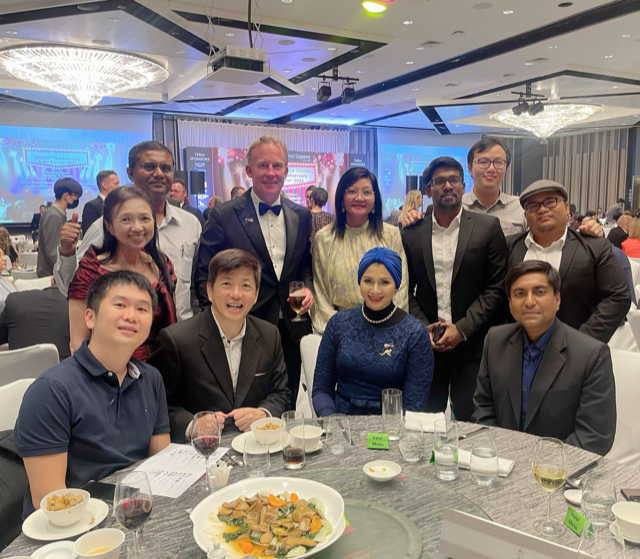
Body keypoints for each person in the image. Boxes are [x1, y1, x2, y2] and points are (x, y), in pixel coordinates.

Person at [14, 271, 171, 516]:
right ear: (90, 317)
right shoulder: (51, 390)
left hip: (136, 508)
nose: (131, 316)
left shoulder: (151, 379)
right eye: (120, 304)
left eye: (142, 309)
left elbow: (162, 464)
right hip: (75, 523)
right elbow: (50, 501)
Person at [193, 136, 313, 406]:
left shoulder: (301, 215)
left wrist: (307, 287)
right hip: (242, 325)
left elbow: (304, 266)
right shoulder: (224, 215)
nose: (270, 172)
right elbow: (204, 275)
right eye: (262, 165)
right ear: (248, 170)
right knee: (243, 403)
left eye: (277, 165)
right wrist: (214, 324)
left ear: (286, 171)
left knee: (286, 401)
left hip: (291, 327)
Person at [471, 260, 616, 456]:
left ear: (557, 300)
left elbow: (594, 437)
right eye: (519, 294)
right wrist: (499, 454)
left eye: (539, 292)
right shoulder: (495, 341)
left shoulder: (591, 355)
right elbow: (483, 409)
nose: (529, 301)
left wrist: (536, 464)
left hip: (559, 473)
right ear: (510, 304)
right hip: (501, 464)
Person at [401, 156, 508, 421]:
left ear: (463, 185)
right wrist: (424, 328)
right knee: (424, 422)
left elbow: (496, 288)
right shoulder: (411, 233)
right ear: (428, 190)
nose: (447, 186)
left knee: (473, 424)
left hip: (473, 345)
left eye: (453, 180)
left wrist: (461, 330)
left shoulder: (487, 227)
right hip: (426, 345)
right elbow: (405, 288)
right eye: (439, 182)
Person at [148, 249, 289, 440]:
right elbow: (156, 404)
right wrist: (193, 424)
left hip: (256, 446)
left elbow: (280, 393)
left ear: (256, 294)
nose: (236, 294)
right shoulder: (177, 340)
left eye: (246, 285)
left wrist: (263, 414)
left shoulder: (269, 335)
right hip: (200, 453)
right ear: (209, 290)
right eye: (227, 284)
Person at [54, 141, 202, 322]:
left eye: (166, 168)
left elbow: (194, 285)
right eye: (149, 167)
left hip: (179, 336)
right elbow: (71, 287)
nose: (158, 174)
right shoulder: (105, 227)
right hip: (124, 338)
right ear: (130, 173)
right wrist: (67, 252)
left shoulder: (190, 224)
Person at [313, 247, 433, 416]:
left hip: (392, 430)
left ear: (396, 286)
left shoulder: (415, 333)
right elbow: (321, 389)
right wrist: (331, 421)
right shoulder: (338, 324)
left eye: (384, 282)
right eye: (368, 281)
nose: (375, 290)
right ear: (359, 281)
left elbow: (414, 404)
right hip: (341, 427)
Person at [508, 180, 630, 343]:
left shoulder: (594, 247)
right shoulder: (508, 247)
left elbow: (618, 296)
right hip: (518, 350)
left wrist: (581, 342)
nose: (542, 209)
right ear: (525, 214)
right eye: (533, 205)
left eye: (550, 201)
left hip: (577, 353)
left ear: (566, 208)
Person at [68, 187, 177, 361]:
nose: (137, 227)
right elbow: (77, 342)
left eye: (145, 218)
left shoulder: (160, 265)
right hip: (106, 373)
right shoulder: (92, 268)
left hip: (159, 371)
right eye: (126, 219)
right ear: (109, 226)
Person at [311, 167, 408, 334]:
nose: (359, 198)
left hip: (385, 331)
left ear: (374, 198)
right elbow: (321, 296)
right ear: (341, 197)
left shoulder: (391, 234)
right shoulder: (324, 238)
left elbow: (401, 287)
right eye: (352, 191)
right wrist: (345, 333)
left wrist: (386, 327)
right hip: (339, 334)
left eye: (366, 192)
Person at [462, 137, 528, 236]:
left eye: (498, 162)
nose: (491, 169)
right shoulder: (457, 207)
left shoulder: (521, 208)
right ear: (470, 169)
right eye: (483, 162)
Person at [0, 284, 71, 360]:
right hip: (65, 370)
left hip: (14, 370)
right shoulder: (77, 310)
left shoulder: (15, 301)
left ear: (52, 280)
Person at [37, 177, 82, 278]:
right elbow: (53, 252)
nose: (77, 200)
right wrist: (68, 272)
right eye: (76, 196)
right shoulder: (54, 216)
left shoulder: (56, 213)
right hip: (51, 277)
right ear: (66, 196)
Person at [81, 170, 120, 236]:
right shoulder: (92, 206)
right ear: (104, 185)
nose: (119, 186)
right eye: (116, 184)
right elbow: (89, 234)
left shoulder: (118, 205)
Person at [308, 187, 335, 251]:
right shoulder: (332, 218)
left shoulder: (305, 216)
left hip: (308, 255)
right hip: (326, 252)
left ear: (311, 200)